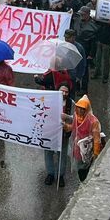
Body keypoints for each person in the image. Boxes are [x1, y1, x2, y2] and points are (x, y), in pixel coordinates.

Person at [36, 57, 72, 185]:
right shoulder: (50, 101)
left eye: (66, 92)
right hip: (50, 132)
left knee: (62, 154)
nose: (64, 93)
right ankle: (50, 174)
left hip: (63, 132)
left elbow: (74, 118)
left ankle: (61, 175)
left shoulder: (70, 104)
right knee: (49, 153)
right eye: (62, 91)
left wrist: (66, 120)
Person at [70, 95, 103, 182]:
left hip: (88, 150)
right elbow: (73, 128)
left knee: (85, 169)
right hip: (77, 149)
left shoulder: (93, 121)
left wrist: (96, 153)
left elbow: (96, 139)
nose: (80, 110)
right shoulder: (76, 116)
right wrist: (65, 126)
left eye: (83, 108)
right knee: (79, 168)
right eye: (78, 108)